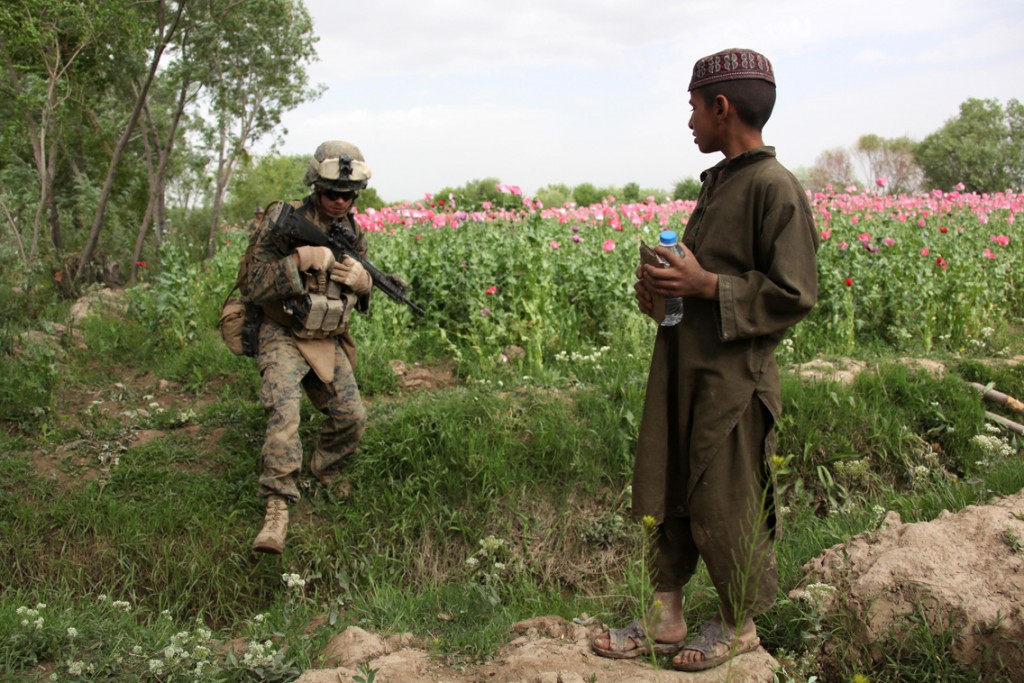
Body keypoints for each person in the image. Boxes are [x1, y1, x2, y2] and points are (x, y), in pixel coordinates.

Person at [591, 48, 819, 671]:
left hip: (732, 382)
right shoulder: (721, 182)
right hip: (681, 369)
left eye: (693, 108)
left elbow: (795, 294)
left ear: (721, 108)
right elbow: (700, 281)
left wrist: (706, 287)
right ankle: (665, 613)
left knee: (726, 496)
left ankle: (738, 622)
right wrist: (664, 294)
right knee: (665, 487)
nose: (689, 121)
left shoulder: (774, 189)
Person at [241, 140, 376, 554]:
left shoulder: (354, 233)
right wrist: (297, 262)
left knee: (351, 417)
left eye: (348, 195)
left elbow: (355, 299)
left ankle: (325, 468)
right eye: (331, 192)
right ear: (315, 186)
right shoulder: (283, 220)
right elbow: (251, 283)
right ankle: (277, 508)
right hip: (281, 328)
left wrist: (362, 284)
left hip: (323, 333)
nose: (339, 201)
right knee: (285, 412)